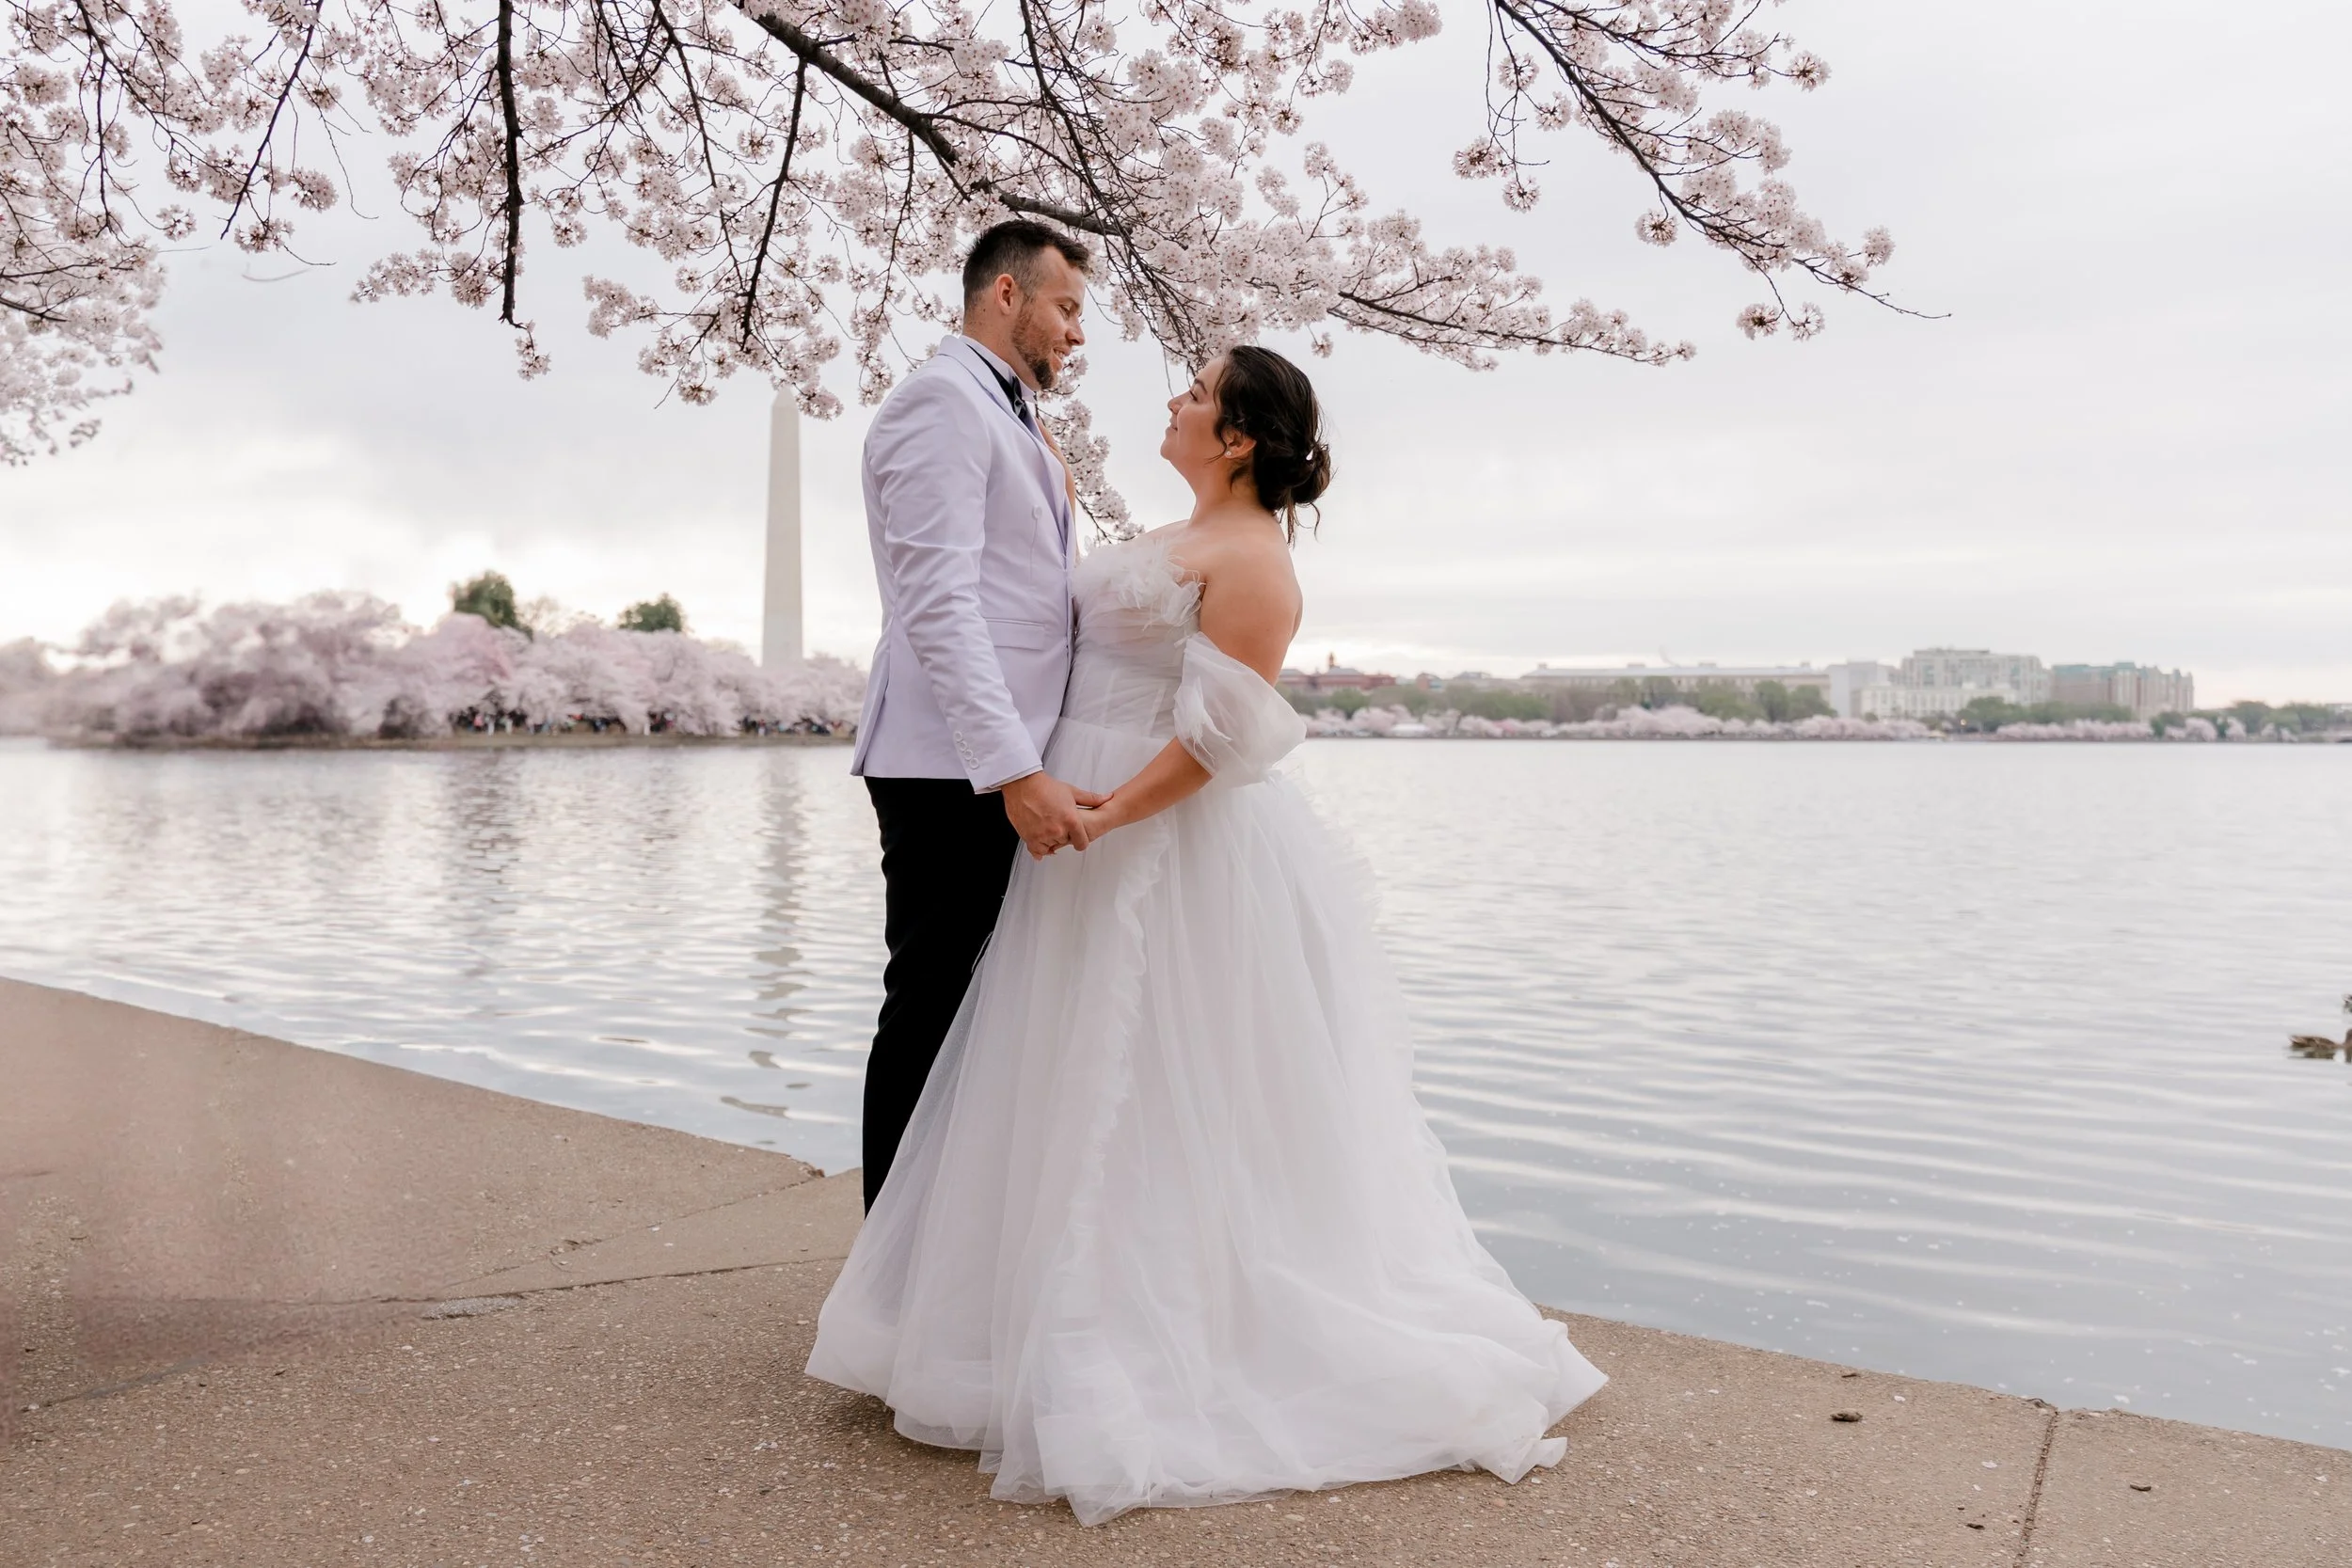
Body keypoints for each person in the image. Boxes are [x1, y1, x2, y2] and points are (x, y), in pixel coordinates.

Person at [809, 342, 1606, 1524]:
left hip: (1145, 838)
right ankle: (1010, 1312)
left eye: (1194, 394)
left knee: (1144, 1080)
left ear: (1236, 437)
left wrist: (1104, 815)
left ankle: (1143, 1326)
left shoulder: (1255, 566)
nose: (1172, 402)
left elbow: (1223, 737)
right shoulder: (1170, 533)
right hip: (1066, 816)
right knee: (1051, 1072)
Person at [848, 220, 1101, 1212]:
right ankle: (890, 1277)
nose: (1076, 334)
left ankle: (940, 1262)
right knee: (933, 1014)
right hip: (948, 765)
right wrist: (1014, 770)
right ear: (1007, 294)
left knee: (976, 1019)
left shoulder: (1009, 415)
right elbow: (938, 604)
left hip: (986, 761)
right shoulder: (939, 404)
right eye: (1067, 308)